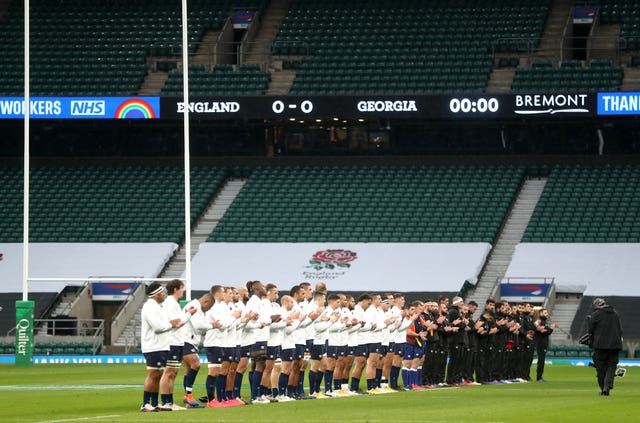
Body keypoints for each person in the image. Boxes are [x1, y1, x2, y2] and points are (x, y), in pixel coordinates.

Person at [139, 283, 186, 412]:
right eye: (162, 293)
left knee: (158, 374)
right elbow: (158, 327)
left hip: (160, 345)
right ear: (157, 294)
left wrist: (170, 323)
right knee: (153, 374)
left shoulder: (157, 307)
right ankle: (145, 403)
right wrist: (171, 324)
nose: (164, 294)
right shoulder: (149, 307)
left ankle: (154, 403)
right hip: (153, 345)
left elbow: (162, 324)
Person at [584, 298, 623, 396]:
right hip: (615, 346)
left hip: (600, 345)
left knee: (600, 368)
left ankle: (603, 389)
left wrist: (589, 321)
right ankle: (607, 386)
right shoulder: (615, 314)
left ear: (597, 305)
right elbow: (620, 330)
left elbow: (590, 330)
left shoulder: (596, 314)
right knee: (611, 367)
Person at [533, 308, 556, 382]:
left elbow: (546, 331)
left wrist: (548, 329)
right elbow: (545, 332)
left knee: (541, 360)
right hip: (540, 343)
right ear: (541, 313)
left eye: (547, 313)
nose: (547, 314)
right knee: (541, 360)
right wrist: (551, 328)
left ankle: (540, 376)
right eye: (545, 313)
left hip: (543, 343)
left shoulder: (544, 321)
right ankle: (539, 377)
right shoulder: (540, 321)